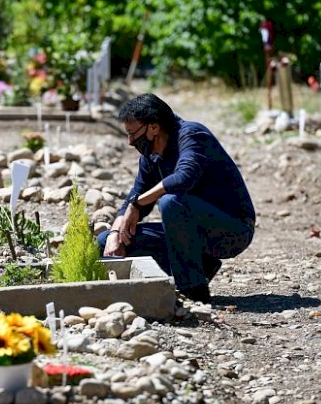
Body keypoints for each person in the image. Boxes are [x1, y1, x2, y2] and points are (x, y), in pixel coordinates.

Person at [98, 93, 255, 304]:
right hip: (190, 232)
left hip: (232, 230)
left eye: (132, 133)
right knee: (106, 242)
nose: (130, 141)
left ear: (153, 127)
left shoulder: (192, 135)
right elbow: (137, 193)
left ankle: (193, 290)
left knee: (171, 202)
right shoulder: (151, 156)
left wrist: (137, 203)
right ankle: (201, 264)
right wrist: (116, 232)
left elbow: (184, 178)